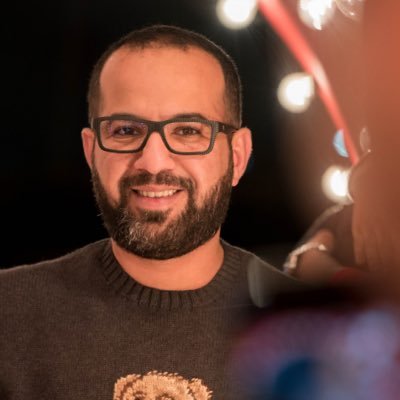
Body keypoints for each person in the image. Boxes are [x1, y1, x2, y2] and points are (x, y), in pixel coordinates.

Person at [0, 24, 307, 399]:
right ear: (91, 151)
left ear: (238, 156)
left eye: (188, 131)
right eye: (126, 130)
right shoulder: (8, 313)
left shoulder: (309, 335)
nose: (153, 161)